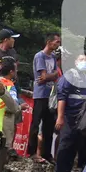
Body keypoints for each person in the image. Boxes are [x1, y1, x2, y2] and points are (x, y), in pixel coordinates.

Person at [53, 54, 86, 172]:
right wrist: (60, 118)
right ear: (75, 62)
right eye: (81, 60)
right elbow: (62, 97)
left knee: (74, 144)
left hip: (81, 117)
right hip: (68, 116)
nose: (84, 62)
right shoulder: (70, 75)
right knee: (66, 144)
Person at [27, 33, 62, 164]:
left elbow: (54, 75)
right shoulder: (39, 56)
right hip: (40, 94)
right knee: (36, 124)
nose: (58, 44)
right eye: (56, 42)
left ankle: (47, 153)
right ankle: (32, 152)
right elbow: (43, 77)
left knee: (49, 125)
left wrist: (50, 76)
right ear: (49, 42)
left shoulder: (53, 56)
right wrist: (50, 75)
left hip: (50, 94)